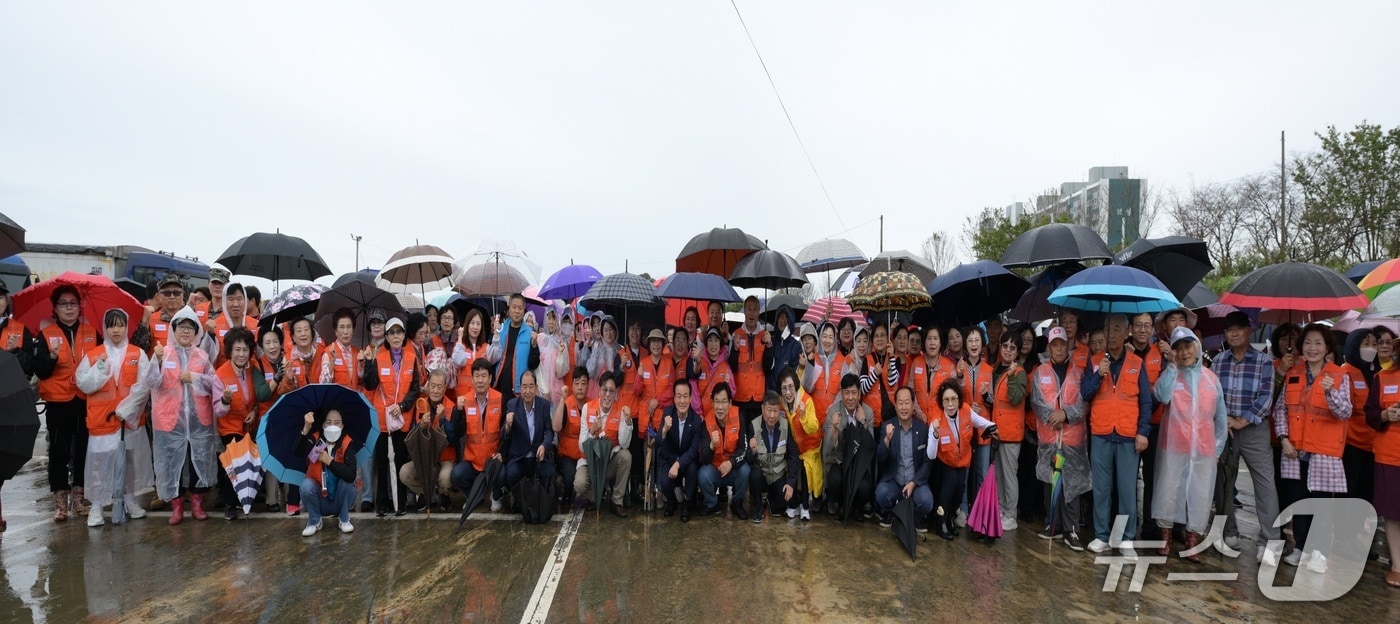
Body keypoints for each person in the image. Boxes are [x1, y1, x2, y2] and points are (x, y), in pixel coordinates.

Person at [1274, 323, 1351, 572]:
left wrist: (1330, 393)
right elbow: (1281, 409)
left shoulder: (1338, 375)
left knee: (1321, 504)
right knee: (1299, 501)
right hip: (1295, 451)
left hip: (1324, 452)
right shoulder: (1293, 373)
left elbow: (1345, 411)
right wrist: (1283, 438)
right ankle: (1300, 547)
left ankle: (1319, 552)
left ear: (1327, 347)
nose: (1312, 348)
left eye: (1318, 343)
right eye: (1307, 343)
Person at [1211, 311, 1284, 564]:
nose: (1233, 334)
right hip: (1225, 428)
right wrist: (1224, 421)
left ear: (1248, 331)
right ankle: (1229, 532)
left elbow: (1266, 397)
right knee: (1223, 483)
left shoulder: (1264, 362)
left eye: (1238, 329)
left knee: (1265, 485)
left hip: (1254, 430)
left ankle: (1270, 541)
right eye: (1229, 330)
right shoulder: (1218, 361)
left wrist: (1242, 421)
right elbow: (1213, 395)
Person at [1151, 327, 1227, 562]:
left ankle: (1192, 540)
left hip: (1203, 449)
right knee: (1168, 490)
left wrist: (1217, 449)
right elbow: (1162, 396)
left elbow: (1220, 417)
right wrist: (1171, 367)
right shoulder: (1171, 375)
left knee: (1200, 494)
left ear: (1197, 347)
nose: (1184, 353)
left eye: (1188, 347)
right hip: (1174, 446)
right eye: (1179, 348)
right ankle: (1165, 538)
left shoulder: (1211, 379)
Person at [1080, 314, 1153, 556]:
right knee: (1101, 488)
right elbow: (1085, 393)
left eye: (1117, 330)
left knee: (1126, 490)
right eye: (1108, 330)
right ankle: (1101, 535)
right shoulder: (1095, 361)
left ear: (1126, 333)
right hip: (1101, 433)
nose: (1112, 335)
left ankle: (1126, 538)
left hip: (1127, 435)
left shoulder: (1137, 363)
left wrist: (1143, 432)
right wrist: (1098, 374)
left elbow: (1146, 401)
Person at [74, 309, 155, 527]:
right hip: (102, 420)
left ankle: (129, 500)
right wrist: (100, 369)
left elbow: (144, 387)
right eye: (111, 326)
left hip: (129, 421)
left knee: (129, 462)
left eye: (120, 325)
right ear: (105, 329)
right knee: (99, 465)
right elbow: (84, 384)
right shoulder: (94, 355)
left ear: (127, 327)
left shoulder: (138, 354)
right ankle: (97, 506)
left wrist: (126, 409)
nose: (116, 330)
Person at [146, 307, 224, 525]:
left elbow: (214, 383)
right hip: (170, 422)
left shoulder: (202, 356)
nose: (186, 331)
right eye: (182, 327)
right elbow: (151, 382)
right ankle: (177, 506)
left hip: (198, 422)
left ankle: (197, 504)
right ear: (174, 330)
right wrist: (157, 361)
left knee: (197, 461)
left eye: (191, 327)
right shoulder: (163, 353)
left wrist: (195, 378)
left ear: (196, 332)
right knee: (174, 465)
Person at [33, 284, 100, 521]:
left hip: (84, 399)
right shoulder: (45, 335)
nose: (69, 308)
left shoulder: (92, 333)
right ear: (55, 308)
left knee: (83, 449)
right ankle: (60, 503)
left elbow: (103, 363)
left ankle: (79, 500)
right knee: (59, 451)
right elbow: (40, 371)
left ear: (80, 307)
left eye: (73, 303)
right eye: (63, 304)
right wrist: (51, 356)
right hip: (58, 402)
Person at [1029, 327, 1090, 550]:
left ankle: (1071, 529)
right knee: (1051, 481)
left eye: (1062, 344)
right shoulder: (1041, 372)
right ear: (1049, 347)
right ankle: (1052, 524)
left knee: (1071, 483)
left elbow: (1083, 403)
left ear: (1068, 346)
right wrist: (1052, 417)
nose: (1058, 348)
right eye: (1054, 345)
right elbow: (1036, 401)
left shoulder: (1079, 373)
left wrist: (1065, 414)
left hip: (1072, 439)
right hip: (1049, 437)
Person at [361, 317, 420, 516]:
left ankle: (400, 504)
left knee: (400, 461)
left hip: (402, 420)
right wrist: (368, 362)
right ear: (386, 337)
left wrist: (402, 406)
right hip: (383, 420)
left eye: (399, 332)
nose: (396, 336)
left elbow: (415, 389)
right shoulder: (379, 357)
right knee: (383, 462)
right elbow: (369, 384)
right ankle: (382, 505)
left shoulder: (411, 357)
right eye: (392, 333)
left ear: (404, 335)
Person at [214, 328, 273, 519]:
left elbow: (256, 398)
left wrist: (254, 411)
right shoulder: (220, 375)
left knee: (250, 463)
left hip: (249, 426)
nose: (241, 354)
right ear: (230, 351)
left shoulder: (252, 369)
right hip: (229, 427)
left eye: (245, 350)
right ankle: (230, 504)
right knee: (234, 465)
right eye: (237, 350)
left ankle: (244, 498)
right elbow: (218, 410)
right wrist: (225, 400)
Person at [0, 282, 44, 529]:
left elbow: (29, 365)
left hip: (9, 402)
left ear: (6, 301)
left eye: (1, 297)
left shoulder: (19, 329)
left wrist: (13, 353)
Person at [928, 379, 996, 539]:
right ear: (941, 402)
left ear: (959, 399)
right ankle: (941, 521)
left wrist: (994, 428)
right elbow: (930, 454)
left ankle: (951, 517)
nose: (950, 404)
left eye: (954, 399)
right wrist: (935, 435)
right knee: (951, 482)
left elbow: (983, 423)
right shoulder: (936, 420)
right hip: (946, 460)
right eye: (946, 400)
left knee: (960, 487)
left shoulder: (966, 410)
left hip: (963, 460)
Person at [450, 359, 506, 512]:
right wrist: (458, 412)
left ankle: (496, 496)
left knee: (504, 473)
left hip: (493, 460)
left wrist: (501, 453)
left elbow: (505, 433)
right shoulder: (464, 401)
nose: (480, 380)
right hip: (472, 461)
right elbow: (458, 432)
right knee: (456, 475)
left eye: (484, 376)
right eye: (477, 376)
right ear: (472, 379)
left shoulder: (500, 399)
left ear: (490, 378)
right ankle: (474, 496)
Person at [576, 372, 633, 517]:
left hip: (608, 463)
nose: (608, 394)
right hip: (590, 463)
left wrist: (627, 423)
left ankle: (616, 501)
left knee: (626, 456)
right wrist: (592, 430)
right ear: (599, 391)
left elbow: (624, 444)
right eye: (605, 390)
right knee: (579, 484)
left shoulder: (621, 410)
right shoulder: (587, 408)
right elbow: (582, 446)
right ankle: (596, 495)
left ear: (615, 393)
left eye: (611, 391)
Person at [876, 386, 934, 532]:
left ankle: (916, 517)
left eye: (907, 403)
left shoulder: (922, 429)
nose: (903, 407)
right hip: (894, 481)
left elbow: (927, 462)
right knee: (881, 493)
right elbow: (880, 458)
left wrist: (914, 483)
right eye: (900, 403)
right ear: (895, 406)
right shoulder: (887, 426)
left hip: (915, 483)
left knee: (927, 502)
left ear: (913, 405)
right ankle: (890, 513)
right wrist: (887, 439)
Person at [1366, 346, 1400, 588]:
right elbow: (1370, 414)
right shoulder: (1382, 378)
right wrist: (1386, 415)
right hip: (1390, 456)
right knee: (1392, 512)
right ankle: (1397, 565)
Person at [295, 409, 359, 536]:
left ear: (342, 425)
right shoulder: (316, 439)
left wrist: (330, 461)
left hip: (339, 500)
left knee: (348, 484)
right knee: (306, 485)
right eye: (328, 422)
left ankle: (344, 519)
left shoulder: (347, 443)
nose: (332, 426)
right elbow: (298, 452)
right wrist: (306, 429)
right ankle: (314, 521)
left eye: (337, 422)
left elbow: (351, 475)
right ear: (323, 424)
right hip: (319, 499)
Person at [989, 332, 1028, 531]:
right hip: (997, 431)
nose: (1008, 350)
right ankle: (1001, 510)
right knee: (999, 476)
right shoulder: (996, 368)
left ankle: (1010, 515)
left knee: (1009, 476)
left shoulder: (1019, 372)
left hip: (1010, 434)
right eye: (1005, 346)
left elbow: (1016, 398)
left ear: (1018, 351)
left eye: (1013, 348)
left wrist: (1012, 376)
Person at [400, 368, 455, 512]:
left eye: (439, 387)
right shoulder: (420, 404)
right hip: (425, 457)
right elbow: (413, 439)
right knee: (405, 473)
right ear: (428, 386)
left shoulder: (451, 407)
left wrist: (443, 420)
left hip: (444, 458)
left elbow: (454, 439)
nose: (435, 391)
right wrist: (421, 427)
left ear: (444, 389)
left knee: (445, 478)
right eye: (433, 386)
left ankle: (443, 493)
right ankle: (426, 492)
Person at [821, 374, 874, 519]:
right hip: (840, 460)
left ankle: (857, 507)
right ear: (841, 394)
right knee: (835, 480)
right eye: (847, 393)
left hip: (859, 463)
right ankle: (841, 505)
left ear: (859, 394)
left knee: (864, 487)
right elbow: (827, 449)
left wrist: (863, 422)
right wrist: (835, 431)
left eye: (854, 393)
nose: (850, 397)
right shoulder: (833, 411)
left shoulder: (867, 412)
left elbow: (870, 446)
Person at [501, 370, 556, 503]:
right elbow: (503, 434)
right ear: (520, 388)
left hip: (538, 456)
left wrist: (544, 445)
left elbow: (549, 431)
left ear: (536, 388)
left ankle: (540, 500)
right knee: (511, 474)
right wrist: (508, 425)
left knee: (550, 473)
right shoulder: (512, 405)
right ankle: (516, 498)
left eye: (531, 386)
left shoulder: (544, 405)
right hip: (519, 457)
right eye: (524, 387)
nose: (527, 391)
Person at [957, 326, 994, 518]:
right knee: (964, 471)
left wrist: (986, 396)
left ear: (982, 344)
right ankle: (963, 509)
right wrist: (967, 405)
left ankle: (980, 512)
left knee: (982, 472)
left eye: (976, 340)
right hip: (964, 425)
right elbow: (954, 397)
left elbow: (994, 401)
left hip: (983, 427)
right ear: (965, 344)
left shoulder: (989, 369)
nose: (973, 344)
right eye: (970, 340)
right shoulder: (959, 367)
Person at [1340, 329, 1379, 505]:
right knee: (1349, 494)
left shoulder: (1376, 374)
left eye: (1374, 344)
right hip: (1351, 446)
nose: (1371, 348)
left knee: (1366, 495)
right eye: (1366, 344)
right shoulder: (1345, 373)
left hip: (1373, 445)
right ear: (1354, 346)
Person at [747, 391, 800, 523]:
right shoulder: (753, 425)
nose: (772, 415)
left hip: (778, 475)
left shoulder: (785, 425)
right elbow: (748, 459)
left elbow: (793, 454)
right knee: (754, 475)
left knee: (788, 498)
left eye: (775, 411)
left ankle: (771, 502)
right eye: (769, 410)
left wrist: (791, 483)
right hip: (762, 475)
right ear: (762, 408)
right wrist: (752, 451)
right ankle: (758, 508)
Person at [699, 383, 750, 519]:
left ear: (730, 402)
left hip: (733, 468)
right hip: (715, 469)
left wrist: (731, 463)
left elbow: (743, 448)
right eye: (717, 402)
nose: (720, 407)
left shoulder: (739, 416)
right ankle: (712, 504)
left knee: (745, 470)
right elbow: (704, 459)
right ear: (712, 402)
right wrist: (711, 445)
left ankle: (736, 503)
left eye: (723, 402)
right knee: (703, 474)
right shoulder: (707, 421)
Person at [656, 378, 703, 521]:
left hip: (686, 460)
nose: (682, 401)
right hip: (668, 458)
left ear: (690, 398)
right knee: (664, 482)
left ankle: (687, 504)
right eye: (679, 396)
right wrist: (664, 430)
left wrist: (678, 464)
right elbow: (657, 442)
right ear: (674, 398)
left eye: (685, 396)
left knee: (693, 469)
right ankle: (672, 503)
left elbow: (693, 450)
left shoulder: (696, 420)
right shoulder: (667, 413)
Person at [778, 367, 821, 520]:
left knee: (803, 469)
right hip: (793, 447)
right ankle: (794, 504)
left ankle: (805, 506)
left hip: (809, 447)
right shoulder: (781, 403)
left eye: (790, 387)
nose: (788, 392)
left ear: (796, 386)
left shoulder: (806, 401)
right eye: (784, 388)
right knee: (789, 465)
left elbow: (813, 428)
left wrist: (803, 416)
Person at [488, 294, 541, 398]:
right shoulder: (501, 329)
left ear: (524, 310)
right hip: (498, 386)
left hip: (518, 392)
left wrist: (534, 346)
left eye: (520, 308)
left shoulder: (530, 333)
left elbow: (533, 365)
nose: (517, 311)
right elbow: (491, 357)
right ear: (509, 308)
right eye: (514, 307)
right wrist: (494, 333)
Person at [730, 296, 772, 423]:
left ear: (759, 312)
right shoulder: (736, 334)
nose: (752, 313)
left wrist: (769, 347)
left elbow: (768, 367)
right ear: (744, 311)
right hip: (740, 398)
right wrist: (735, 349)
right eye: (749, 309)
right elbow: (731, 367)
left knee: (756, 433)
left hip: (759, 398)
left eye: (755, 309)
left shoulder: (765, 335)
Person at [553, 367, 590, 509]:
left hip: (585, 455)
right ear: (572, 385)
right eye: (577, 383)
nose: (580, 387)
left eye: (583, 383)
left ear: (588, 385)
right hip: (568, 455)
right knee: (569, 478)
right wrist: (562, 400)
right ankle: (567, 497)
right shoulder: (566, 404)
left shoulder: (592, 405)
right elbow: (556, 427)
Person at [801, 322, 850, 429]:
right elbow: (807, 388)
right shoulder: (813, 358)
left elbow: (845, 389)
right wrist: (810, 366)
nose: (827, 340)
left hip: (835, 417)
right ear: (820, 338)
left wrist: (833, 407)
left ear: (835, 340)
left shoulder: (842, 361)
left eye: (830, 337)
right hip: (814, 416)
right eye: (825, 336)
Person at [909, 325, 955, 425]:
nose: (932, 342)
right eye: (929, 338)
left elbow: (954, 396)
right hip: (918, 421)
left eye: (935, 338)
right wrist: (918, 413)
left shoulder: (949, 366)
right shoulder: (916, 362)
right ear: (924, 342)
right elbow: (911, 390)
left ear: (940, 343)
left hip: (942, 422)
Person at [210, 282, 259, 367]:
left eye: (239, 299)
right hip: (223, 373)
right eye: (230, 299)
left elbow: (261, 356)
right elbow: (208, 358)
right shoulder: (214, 326)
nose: (235, 304)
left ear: (245, 301)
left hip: (250, 373)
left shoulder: (256, 325)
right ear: (224, 301)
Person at [318, 308, 363, 389]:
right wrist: (332, 362)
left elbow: (361, 380)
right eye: (342, 327)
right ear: (335, 331)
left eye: (349, 327)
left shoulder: (357, 352)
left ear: (353, 330)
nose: (345, 332)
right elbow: (323, 383)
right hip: (336, 397)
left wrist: (362, 364)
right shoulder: (328, 352)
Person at [697, 328, 735, 420]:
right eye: (710, 340)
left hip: (719, 418)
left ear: (720, 343)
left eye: (716, 340)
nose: (713, 344)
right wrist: (698, 412)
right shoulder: (699, 364)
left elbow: (733, 392)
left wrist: (728, 386)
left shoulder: (726, 366)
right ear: (706, 343)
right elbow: (693, 390)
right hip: (701, 417)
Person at [766, 304, 802, 394]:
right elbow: (766, 367)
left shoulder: (796, 346)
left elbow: (794, 373)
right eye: (780, 317)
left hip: (787, 395)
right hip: (771, 394)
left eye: (786, 317)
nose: (783, 320)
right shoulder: (770, 341)